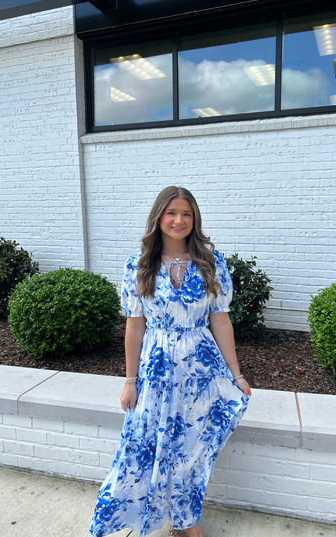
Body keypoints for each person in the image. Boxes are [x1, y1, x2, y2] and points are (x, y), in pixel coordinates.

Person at [90, 186, 251, 537]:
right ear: (159, 217)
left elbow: (221, 321)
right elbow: (135, 326)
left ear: (195, 219)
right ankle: (152, 519)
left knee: (188, 452)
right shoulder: (139, 265)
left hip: (200, 371)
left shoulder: (210, 262)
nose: (179, 220)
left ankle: (185, 521)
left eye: (187, 214)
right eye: (172, 213)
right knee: (141, 447)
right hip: (156, 370)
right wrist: (130, 381)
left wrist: (236, 374)